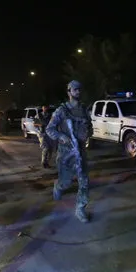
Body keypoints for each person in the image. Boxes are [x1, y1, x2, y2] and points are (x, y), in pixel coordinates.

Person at [46, 80, 93, 223]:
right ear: (69, 92)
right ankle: (58, 186)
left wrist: (88, 132)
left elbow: (90, 127)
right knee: (66, 182)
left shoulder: (84, 109)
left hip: (80, 151)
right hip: (66, 152)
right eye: (75, 89)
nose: (78, 92)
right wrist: (61, 136)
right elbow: (49, 129)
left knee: (84, 181)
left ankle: (80, 208)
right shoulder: (62, 110)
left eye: (79, 89)